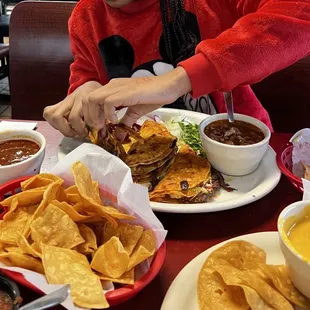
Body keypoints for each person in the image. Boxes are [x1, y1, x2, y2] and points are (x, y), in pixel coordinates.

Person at [43, 0, 310, 137]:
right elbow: (86, 71)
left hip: (239, 146)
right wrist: (86, 89)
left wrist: (178, 80)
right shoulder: (85, 15)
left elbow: (300, 12)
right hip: (132, 162)